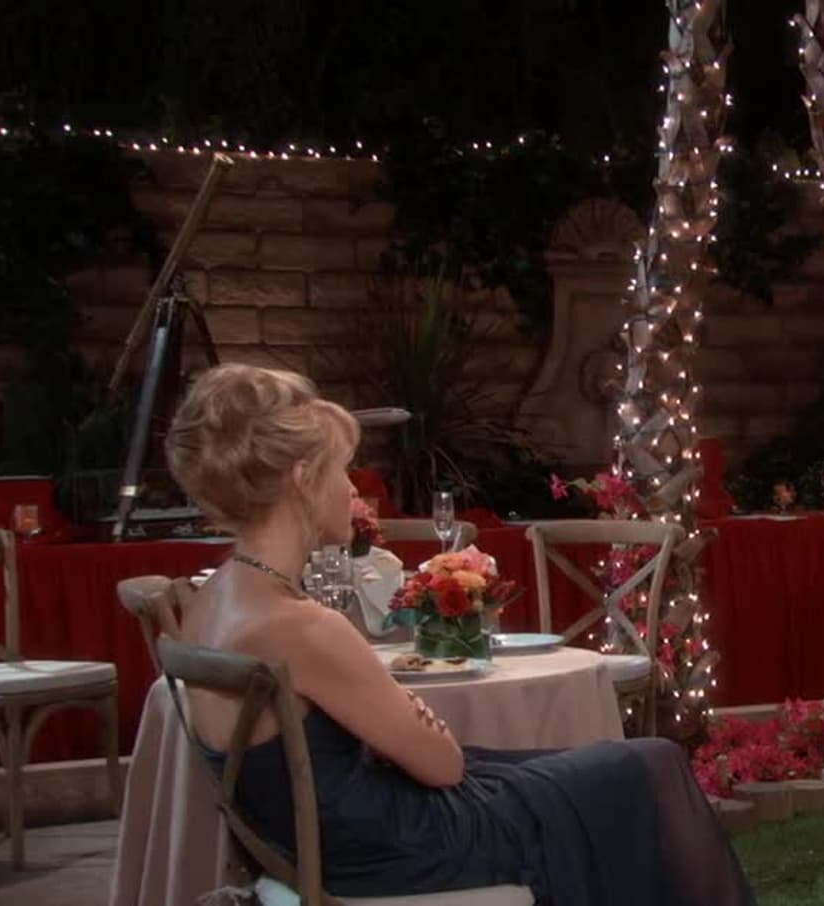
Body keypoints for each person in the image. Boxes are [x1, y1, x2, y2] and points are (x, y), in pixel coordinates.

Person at [164, 363, 755, 904]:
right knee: (649, 764)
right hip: (391, 845)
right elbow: (442, 766)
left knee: (602, 768)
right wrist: (412, 720)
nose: (353, 489)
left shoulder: (211, 599)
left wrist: (397, 718)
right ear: (301, 479)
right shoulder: (302, 626)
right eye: (341, 470)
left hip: (327, 836)